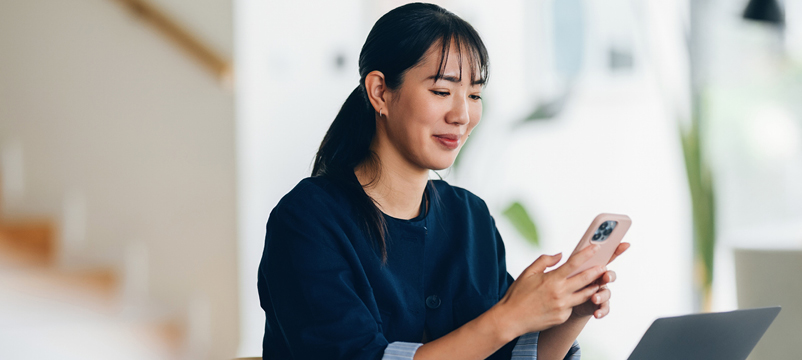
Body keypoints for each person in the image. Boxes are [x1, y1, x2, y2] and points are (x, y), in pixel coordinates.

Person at [257, 3, 630, 359]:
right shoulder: (307, 220)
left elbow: (506, 355)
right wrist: (510, 316)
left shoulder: (470, 217)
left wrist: (572, 312)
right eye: (441, 91)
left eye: (474, 94)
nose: (463, 115)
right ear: (380, 91)